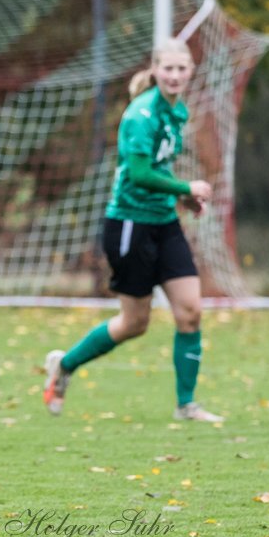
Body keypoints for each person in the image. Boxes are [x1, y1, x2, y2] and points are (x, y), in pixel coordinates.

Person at [43, 38, 222, 423]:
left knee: (190, 312)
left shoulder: (177, 112)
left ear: (190, 71)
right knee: (134, 323)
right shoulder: (141, 114)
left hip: (164, 223)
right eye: (167, 68)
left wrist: (182, 199)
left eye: (181, 68)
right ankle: (65, 364)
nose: (174, 75)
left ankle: (186, 405)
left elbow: (159, 167)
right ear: (156, 70)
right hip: (129, 225)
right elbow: (139, 174)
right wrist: (185, 188)